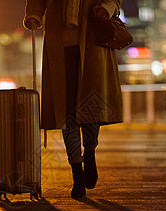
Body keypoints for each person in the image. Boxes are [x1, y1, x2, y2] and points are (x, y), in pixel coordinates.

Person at [23, 0, 123, 199]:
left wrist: (108, 8)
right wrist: (33, 14)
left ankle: (90, 150)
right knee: (66, 111)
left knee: (91, 108)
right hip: (59, 45)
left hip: (93, 43)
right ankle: (77, 173)